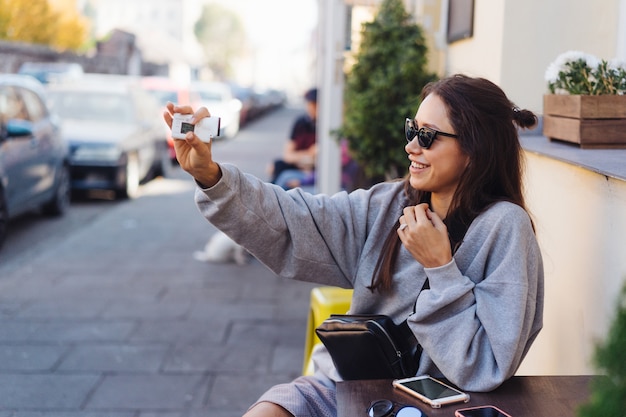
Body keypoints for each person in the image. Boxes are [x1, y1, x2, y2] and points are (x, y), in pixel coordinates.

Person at [163, 74, 544, 417]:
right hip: (346, 388)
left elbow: (487, 365)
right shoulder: (390, 204)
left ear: (474, 149)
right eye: (412, 129)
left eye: (427, 135)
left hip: (436, 407)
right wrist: (210, 175)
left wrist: (440, 268)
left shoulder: (505, 228)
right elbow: (298, 219)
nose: (412, 146)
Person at [270, 88, 318, 189]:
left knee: (284, 178)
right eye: (309, 104)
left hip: (313, 170)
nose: (311, 108)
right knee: (277, 166)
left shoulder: (325, 126)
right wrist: (307, 154)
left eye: (315, 104)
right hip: (298, 164)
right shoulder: (301, 123)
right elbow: (288, 155)